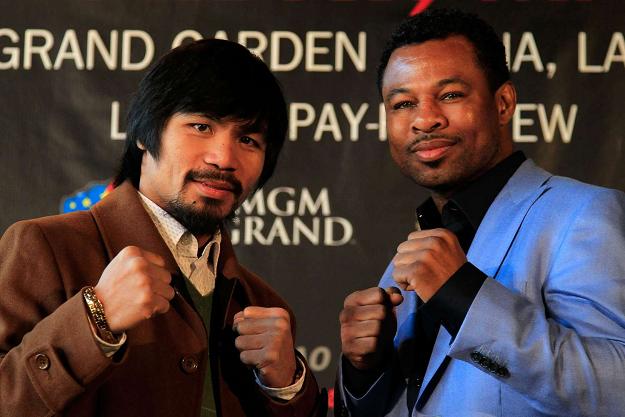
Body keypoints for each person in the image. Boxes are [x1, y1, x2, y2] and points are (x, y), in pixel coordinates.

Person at [0, 39, 326, 417]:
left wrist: (286, 386)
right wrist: (94, 319)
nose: (224, 158)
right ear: (144, 134)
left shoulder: (264, 303)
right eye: (201, 126)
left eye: (248, 140)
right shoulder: (45, 246)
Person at [336, 8, 625, 417]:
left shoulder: (583, 214)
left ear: (503, 103)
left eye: (450, 95)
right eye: (403, 103)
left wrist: (464, 295)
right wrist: (365, 372)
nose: (425, 119)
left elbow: (615, 391)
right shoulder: (417, 251)